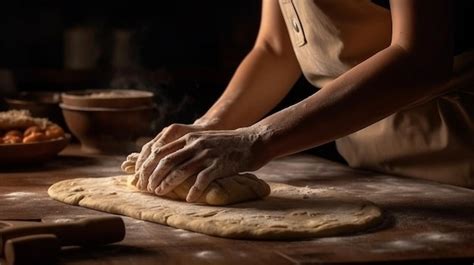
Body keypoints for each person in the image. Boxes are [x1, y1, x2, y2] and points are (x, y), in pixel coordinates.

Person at [132, 0, 474, 202]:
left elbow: (421, 57)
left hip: (456, 166)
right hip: (371, 171)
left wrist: (257, 139)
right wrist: (210, 125)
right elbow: (276, 50)